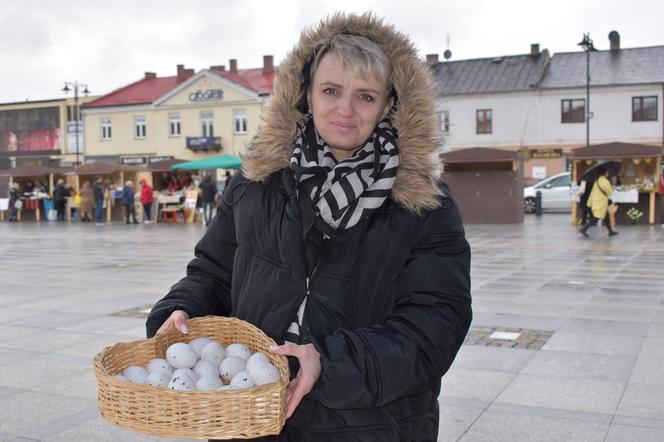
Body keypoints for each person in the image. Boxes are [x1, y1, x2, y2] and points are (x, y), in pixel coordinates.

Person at [146, 13, 472, 441]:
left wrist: (328, 362)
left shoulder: (425, 204)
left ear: (390, 104)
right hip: (254, 420)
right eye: (331, 91)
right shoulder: (255, 183)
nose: (345, 110)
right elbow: (212, 272)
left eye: (366, 96)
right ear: (306, 93)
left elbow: (436, 324)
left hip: (371, 425)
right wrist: (183, 309)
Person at [579, 166, 619, 237]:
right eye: (607, 172)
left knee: (606, 216)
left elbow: (593, 192)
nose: (608, 173)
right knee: (596, 218)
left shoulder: (597, 180)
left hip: (598, 201)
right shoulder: (604, 181)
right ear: (604, 173)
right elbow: (609, 192)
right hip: (601, 202)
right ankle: (584, 229)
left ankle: (610, 231)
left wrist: (590, 202)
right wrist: (612, 188)